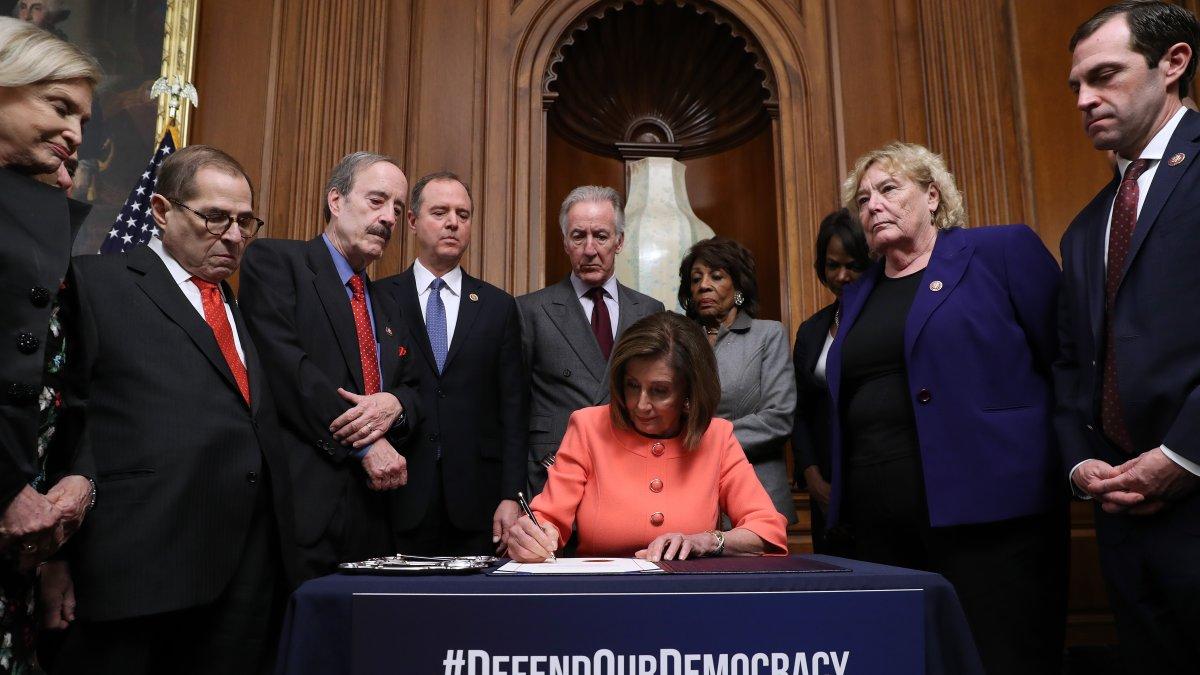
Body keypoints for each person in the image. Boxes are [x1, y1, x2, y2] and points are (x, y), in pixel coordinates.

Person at [52, 145, 298, 675]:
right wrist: (57, 558)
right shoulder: (98, 283)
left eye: (244, 222)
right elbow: (67, 418)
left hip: (245, 576)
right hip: (138, 569)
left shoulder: (235, 305)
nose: (233, 237)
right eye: (215, 217)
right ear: (162, 211)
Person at [827, 142, 1066, 674]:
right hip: (880, 515)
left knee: (1000, 655)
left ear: (933, 196)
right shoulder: (859, 292)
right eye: (862, 200)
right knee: (906, 659)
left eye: (889, 189)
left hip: (990, 508)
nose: (873, 206)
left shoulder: (1000, 251)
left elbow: (1065, 357)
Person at [1060, 3, 1200, 672]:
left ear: (1173, 63)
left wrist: (1183, 453)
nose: (1086, 100)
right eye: (1077, 86)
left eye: (1106, 76)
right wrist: (1081, 465)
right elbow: (1072, 367)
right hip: (1120, 516)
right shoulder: (1087, 227)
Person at [239, 152, 420, 580]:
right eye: (377, 201)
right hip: (304, 506)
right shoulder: (276, 263)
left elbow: (414, 388)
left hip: (378, 512)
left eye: (396, 208)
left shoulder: (390, 303)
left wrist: (396, 403)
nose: (389, 217)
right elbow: (288, 369)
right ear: (335, 201)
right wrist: (365, 442)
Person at [507, 311, 788, 563]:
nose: (640, 405)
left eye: (660, 390)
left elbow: (766, 530)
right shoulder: (588, 426)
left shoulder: (716, 436)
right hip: (602, 596)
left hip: (688, 596)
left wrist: (707, 540)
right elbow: (548, 518)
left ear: (690, 393)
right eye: (632, 386)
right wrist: (532, 537)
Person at [0, 17, 98, 673]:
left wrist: (77, 480)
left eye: (84, 119)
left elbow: (66, 385)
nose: (75, 134)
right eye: (59, 107)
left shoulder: (42, 226)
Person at [376, 172, 526, 556]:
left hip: (478, 496)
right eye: (439, 212)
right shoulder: (380, 299)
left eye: (463, 213)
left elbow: (513, 408)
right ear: (411, 221)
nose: (453, 222)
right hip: (397, 490)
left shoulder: (498, 306)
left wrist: (512, 495)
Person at [518, 186, 663, 496]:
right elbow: (512, 407)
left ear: (619, 241)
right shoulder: (530, 310)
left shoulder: (650, 311)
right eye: (578, 236)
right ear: (565, 242)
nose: (589, 249)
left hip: (631, 469)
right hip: (553, 473)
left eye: (601, 235)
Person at [677, 237, 796, 524]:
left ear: (739, 286)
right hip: (689, 490)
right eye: (696, 279)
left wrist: (705, 440)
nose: (703, 285)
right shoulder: (679, 340)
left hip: (756, 488)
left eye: (716, 276)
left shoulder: (768, 335)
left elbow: (779, 418)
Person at [790, 209, 870, 554]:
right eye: (832, 265)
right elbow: (800, 411)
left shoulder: (888, 319)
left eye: (853, 265)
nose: (842, 276)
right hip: (826, 489)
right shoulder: (811, 330)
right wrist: (812, 477)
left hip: (878, 483)